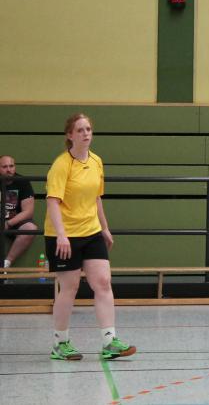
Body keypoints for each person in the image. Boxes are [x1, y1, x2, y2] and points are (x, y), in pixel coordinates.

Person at [45, 114, 135, 361]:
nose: (86, 133)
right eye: (80, 130)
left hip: (91, 231)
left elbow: (96, 198)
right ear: (70, 135)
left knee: (103, 282)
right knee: (70, 287)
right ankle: (60, 343)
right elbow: (52, 202)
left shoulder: (96, 161)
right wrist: (61, 235)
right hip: (64, 235)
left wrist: (104, 228)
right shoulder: (62, 165)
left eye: (88, 129)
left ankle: (109, 341)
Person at [2, 154, 38, 270]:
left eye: (11, 166)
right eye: (4, 167)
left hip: (15, 221)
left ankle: (6, 264)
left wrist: (8, 223)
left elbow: (28, 212)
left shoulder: (22, 182)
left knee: (30, 228)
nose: (9, 170)